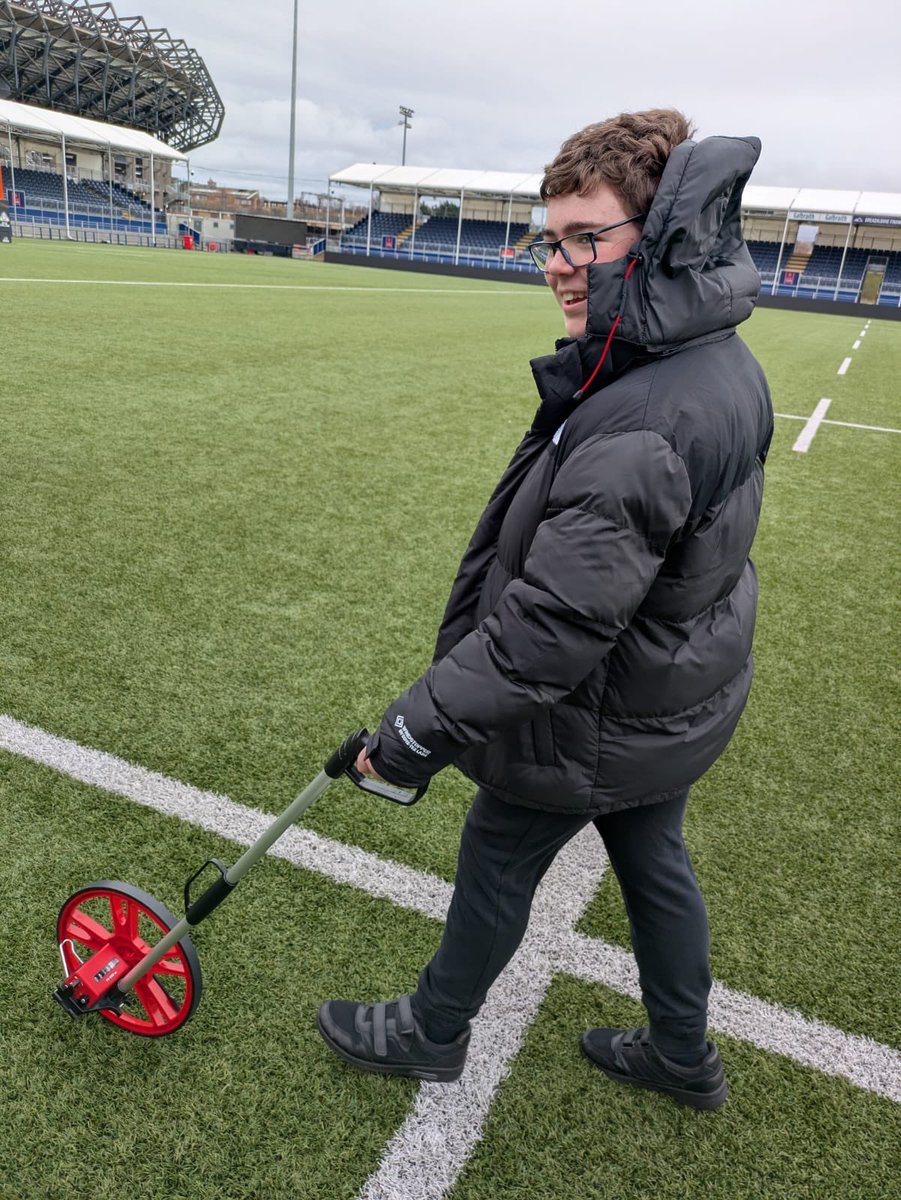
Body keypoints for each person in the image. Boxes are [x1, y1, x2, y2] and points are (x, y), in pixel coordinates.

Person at [317, 109, 773, 1111]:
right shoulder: (714, 360)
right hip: (666, 695)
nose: (559, 265)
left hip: (597, 712)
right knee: (654, 865)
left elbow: (547, 633)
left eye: (587, 239)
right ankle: (682, 1053)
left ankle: (430, 1031)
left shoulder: (645, 420)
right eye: (550, 240)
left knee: (495, 856)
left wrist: (409, 732)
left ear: (653, 244)